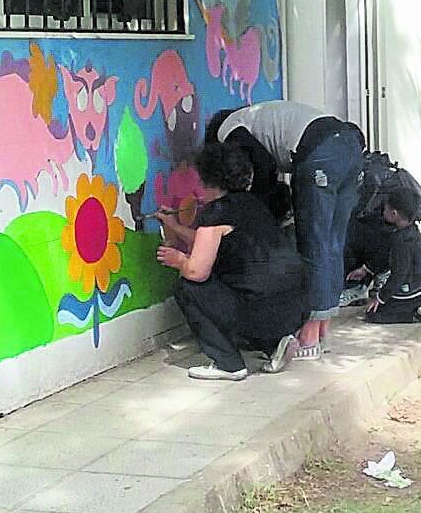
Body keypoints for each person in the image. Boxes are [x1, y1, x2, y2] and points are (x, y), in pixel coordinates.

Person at [207, 101, 364, 360]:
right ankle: (323, 327)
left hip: (320, 153)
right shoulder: (258, 118)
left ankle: (309, 334)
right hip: (347, 147)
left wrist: (257, 216)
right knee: (332, 243)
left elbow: (264, 166)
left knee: (313, 245)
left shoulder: (227, 128)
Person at [155, 142, 307, 381]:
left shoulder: (216, 211)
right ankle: (276, 344)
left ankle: (228, 363)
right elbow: (211, 241)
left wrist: (180, 260)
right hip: (296, 307)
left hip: (262, 310)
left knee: (188, 287)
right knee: (249, 289)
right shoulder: (252, 204)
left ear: (206, 178)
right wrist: (174, 226)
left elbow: (197, 272)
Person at [364, 184, 421, 324]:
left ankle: (411, 315)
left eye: (385, 208)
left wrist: (381, 298)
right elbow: (386, 258)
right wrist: (367, 269)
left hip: (412, 294)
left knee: (373, 314)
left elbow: (399, 274)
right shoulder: (412, 230)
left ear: (394, 214)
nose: (383, 211)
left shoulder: (401, 241)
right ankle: (415, 308)